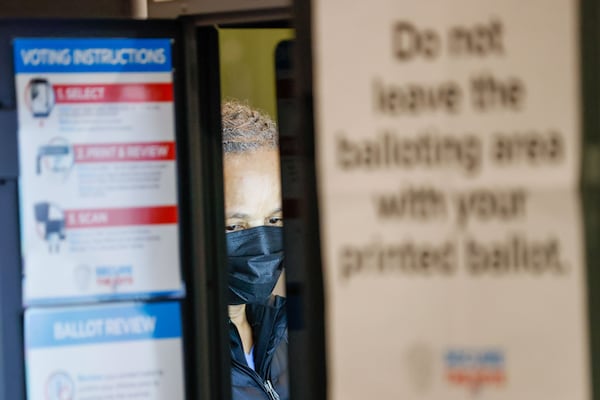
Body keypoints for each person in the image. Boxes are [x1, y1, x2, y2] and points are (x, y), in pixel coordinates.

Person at [222, 100, 288, 400]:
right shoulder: (177, 356)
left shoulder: (289, 330)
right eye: (235, 226)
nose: (262, 245)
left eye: (274, 220)